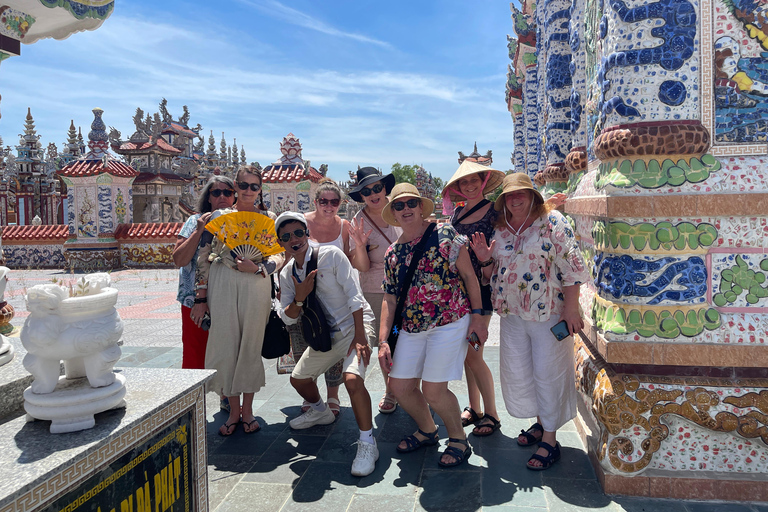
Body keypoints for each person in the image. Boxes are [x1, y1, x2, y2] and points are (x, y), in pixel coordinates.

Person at [470, 172, 588, 470]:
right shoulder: (502, 230)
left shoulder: (553, 224)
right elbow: (491, 276)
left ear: (533, 196)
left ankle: (550, 438)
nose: (515, 198)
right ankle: (539, 423)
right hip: (512, 316)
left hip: (548, 314)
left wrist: (571, 310)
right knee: (521, 372)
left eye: (521, 193)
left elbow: (572, 268)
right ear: (504, 201)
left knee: (549, 373)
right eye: (509, 195)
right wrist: (485, 258)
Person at [377, 184, 489, 468]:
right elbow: (389, 297)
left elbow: (468, 276)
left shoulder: (445, 234)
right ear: (393, 212)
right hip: (412, 327)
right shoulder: (393, 252)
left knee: (433, 391)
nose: (406, 209)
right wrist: (383, 340)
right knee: (400, 387)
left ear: (420, 206)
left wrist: (477, 316)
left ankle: (458, 439)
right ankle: (428, 429)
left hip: (449, 321)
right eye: (399, 205)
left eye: (411, 203)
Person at [276, 212, 379, 477]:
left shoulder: (331, 256)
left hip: (354, 324)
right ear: (281, 243)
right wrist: (299, 298)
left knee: (352, 380)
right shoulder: (288, 273)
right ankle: (321, 411)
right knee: (299, 379)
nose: (294, 239)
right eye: (286, 237)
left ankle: (368, 442)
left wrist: (359, 337)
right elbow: (287, 317)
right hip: (326, 334)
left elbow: (355, 297)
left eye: (298, 232)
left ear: (307, 233)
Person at [192, 165, 284, 436]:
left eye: (254, 187)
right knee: (226, 343)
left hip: (256, 282)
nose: (248, 192)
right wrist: (201, 296)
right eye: (243, 186)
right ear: (235, 187)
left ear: (260, 189)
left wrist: (259, 269)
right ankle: (233, 411)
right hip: (223, 280)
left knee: (250, 345)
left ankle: (248, 409)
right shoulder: (220, 216)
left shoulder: (269, 217)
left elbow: (280, 255)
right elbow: (203, 255)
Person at [442, 161, 504, 436]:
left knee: (473, 352)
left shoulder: (495, 212)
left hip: (483, 290)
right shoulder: (457, 214)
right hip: (459, 292)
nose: (468, 186)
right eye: (462, 183)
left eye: (473, 181)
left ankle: (491, 412)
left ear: (484, 180)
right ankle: (474, 407)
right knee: (467, 353)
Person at [347, 167, 401, 414]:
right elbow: (362, 266)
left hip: (408, 285)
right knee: (385, 340)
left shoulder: (401, 207)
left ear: (385, 187)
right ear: (361, 195)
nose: (373, 194)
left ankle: (411, 387)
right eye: (366, 191)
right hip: (376, 288)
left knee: (410, 338)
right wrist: (359, 245)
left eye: (377, 187)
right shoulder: (358, 221)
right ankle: (391, 390)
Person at [300, 178, 351, 417]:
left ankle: (333, 395)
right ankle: (310, 394)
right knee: (307, 340)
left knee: (335, 344)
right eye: (324, 201)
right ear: (316, 201)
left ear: (340, 203)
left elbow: (351, 261)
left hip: (336, 296)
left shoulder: (345, 226)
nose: (329, 206)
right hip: (306, 292)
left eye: (334, 201)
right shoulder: (302, 222)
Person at [172, 176, 235, 369]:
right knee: (194, 356)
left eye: (228, 192)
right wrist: (199, 231)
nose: (222, 196)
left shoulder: (241, 223)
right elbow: (179, 260)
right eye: (216, 192)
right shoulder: (193, 221)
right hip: (194, 301)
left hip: (230, 299)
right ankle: (196, 398)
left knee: (229, 355)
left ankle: (227, 398)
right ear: (209, 197)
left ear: (234, 197)